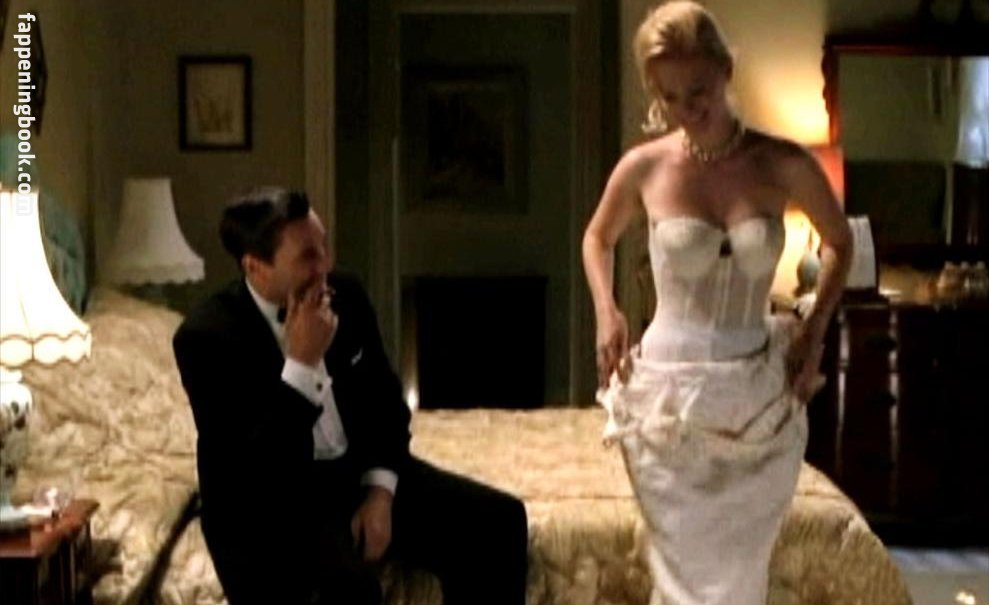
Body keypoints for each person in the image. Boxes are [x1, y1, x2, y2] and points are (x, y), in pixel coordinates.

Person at [582, 2, 852, 604]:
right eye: (670, 96)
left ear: (726, 70)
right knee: (680, 581)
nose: (687, 108)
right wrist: (607, 311)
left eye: (698, 90)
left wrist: (813, 329)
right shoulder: (646, 167)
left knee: (739, 582)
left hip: (756, 391)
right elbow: (596, 237)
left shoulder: (781, 162)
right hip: (669, 397)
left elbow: (841, 241)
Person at [173, 188, 527, 605]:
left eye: (324, 246)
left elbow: (388, 407)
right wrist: (302, 365)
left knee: (499, 521)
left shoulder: (346, 294)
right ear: (255, 267)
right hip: (276, 502)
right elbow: (260, 468)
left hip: (355, 475)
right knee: (350, 589)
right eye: (308, 256)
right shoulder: (206, 338)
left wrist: (380, 492)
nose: (325, 265)